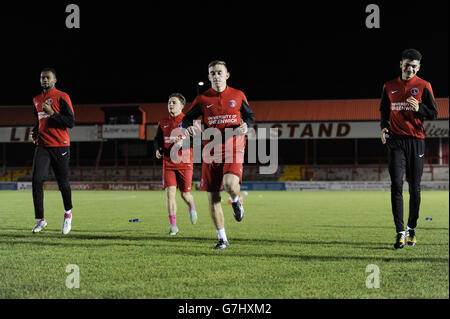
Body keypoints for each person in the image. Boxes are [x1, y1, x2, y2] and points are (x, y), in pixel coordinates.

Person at [182, 60, 255, 250]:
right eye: (212, 73)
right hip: (211, 152)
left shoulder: (238, 95)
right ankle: (222, 239)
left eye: (219, 72)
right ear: (208, 76)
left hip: (234, 147)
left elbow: (250, 116)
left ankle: (236, 201)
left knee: (230, 184)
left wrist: (247, 125)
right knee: (213, 197)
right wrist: (188, 126)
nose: (216, 76)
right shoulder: (203, 99)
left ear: (227, 75)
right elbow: (187, 117)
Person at [379, 49, 438, 249]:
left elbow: (434, 113)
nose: (410, 68)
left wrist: (419, 108)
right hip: (395, 141)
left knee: (414, 187)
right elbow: (384, 110)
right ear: (401, 64)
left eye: (414, 66)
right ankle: (400, 233)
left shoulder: (424, 86)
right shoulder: (389, 85)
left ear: (418, 67)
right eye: (407, 64)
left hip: (416, 141)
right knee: (396, 185)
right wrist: (383, 127)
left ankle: (412, 228)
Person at [30, 67, 75, 234]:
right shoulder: (36, 99)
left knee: (63, 183)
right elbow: (39, 121)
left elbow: (70, 122)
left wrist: (53, 113)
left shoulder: (62, 96)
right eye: (42, 78)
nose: (45, 80)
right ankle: (41, 220)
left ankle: (68, 215)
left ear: (55, 80)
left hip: (61, 145)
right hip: (42, 145)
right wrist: (34, 132)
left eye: (48, 78)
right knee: (36, 180)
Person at [154, 93, 198, 235]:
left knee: (185, 195)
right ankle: (173, 226)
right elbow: (158, 139)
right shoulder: (162, 122)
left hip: (185, 163)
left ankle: (191, 206)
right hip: (168, 163)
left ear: (181, 105)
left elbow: (198, 140)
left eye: (173, 102)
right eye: (169, 102)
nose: (170, 105)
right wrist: (158, 149)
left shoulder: (189, 121)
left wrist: (183, 142)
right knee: (170, 194)